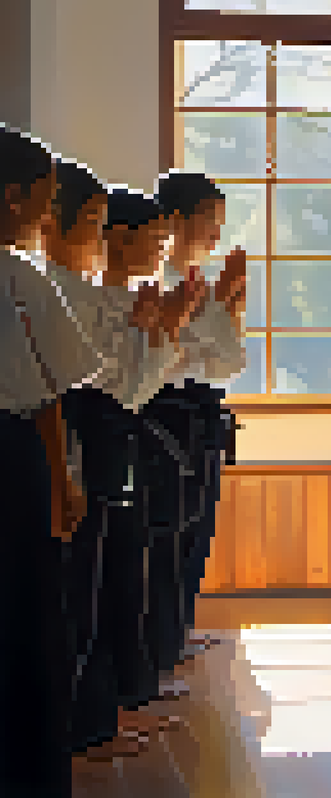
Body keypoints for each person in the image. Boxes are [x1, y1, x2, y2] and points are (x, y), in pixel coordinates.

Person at [62, 187, 201, 761]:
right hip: (87, 452)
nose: (163, 247)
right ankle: (93, 718)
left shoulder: (110, 300)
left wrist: (164, 328)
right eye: (156, 235)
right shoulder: (78, 299)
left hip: (113, 443)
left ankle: (113, 706)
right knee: (97, 585)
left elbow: (137, 389)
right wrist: (157, 331)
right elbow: (124, 394)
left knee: (122, 577)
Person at [0, 126, 100, 797]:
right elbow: (50, 393)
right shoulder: (22, 276)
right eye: (46, 197)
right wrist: (62, 475)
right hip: (10, 460)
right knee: (29, 617)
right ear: (13, 199)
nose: (48, 211)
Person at [149, 171, 245, 667]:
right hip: (164, 413)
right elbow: (177, 354)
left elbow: (228, 361)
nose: (215, 234)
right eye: (210, 221)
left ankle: (177, 634)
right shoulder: (153, 279)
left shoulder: (198, 285)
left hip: (201, 410)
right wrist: (213, 323)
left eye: (220, 223)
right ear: (177, 219)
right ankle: (158, 650)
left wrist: (229, 306)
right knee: (168, 533)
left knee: (197, 532)